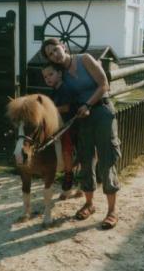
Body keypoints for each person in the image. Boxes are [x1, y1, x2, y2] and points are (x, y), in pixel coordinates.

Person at [41, 38, 121, 229]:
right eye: (50, 54)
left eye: (55, 50)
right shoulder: (60, 74)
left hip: (101, 112)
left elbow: (104, 84)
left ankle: (112, 211)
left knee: (106, 158)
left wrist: (87, 104)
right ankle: (89, 204)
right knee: (85, 160)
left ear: (63, 46)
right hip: (82, 118)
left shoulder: (84, 59)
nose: (54, 55)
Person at [41, 62, 77, 198]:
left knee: (66, 146)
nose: (48, 78)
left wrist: (49, 110)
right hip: (57, 123)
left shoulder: (65, 88)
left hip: (69, 123)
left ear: (60, 74)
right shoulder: (53, 90)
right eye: (45, 77)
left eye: (50, 74)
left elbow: (67, 107)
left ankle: (68, 173)